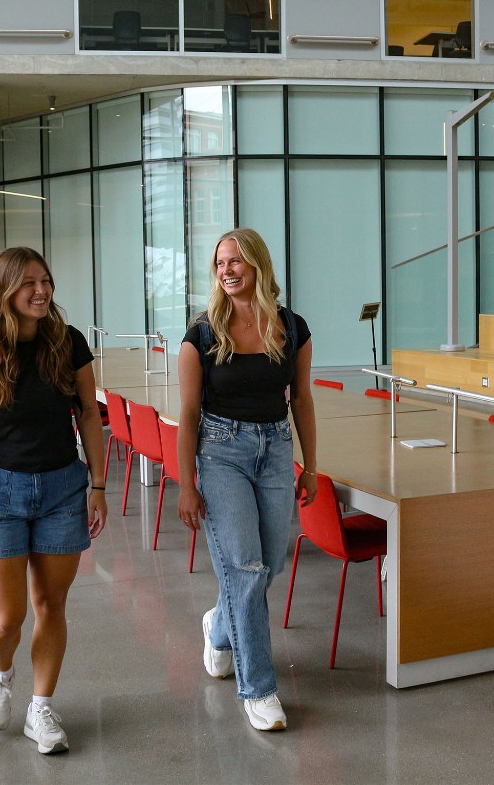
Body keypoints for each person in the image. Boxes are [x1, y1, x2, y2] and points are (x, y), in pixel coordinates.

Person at [0, 247, 107, 755]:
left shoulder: (68, 342)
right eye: (28, 282)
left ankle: (41, 706)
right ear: (5, 289)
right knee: (8, 617)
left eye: (45, 281)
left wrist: (99, 485)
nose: (41, 291)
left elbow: (89, 414)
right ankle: (1, 674)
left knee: (51, 603)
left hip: (62, 489)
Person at [176, 227, 318, 731]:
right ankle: (259, 689)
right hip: (220, 453)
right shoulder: (201, 334)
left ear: (258, 265)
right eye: (220, 263)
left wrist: (311, 466)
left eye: (235, 261)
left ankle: (219, 626)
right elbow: (188, 414)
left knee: (269, 563)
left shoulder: (292, 328)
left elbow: (302, 399)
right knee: (245, 569)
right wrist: (186, 483)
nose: (227, 270)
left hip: (275, 449)